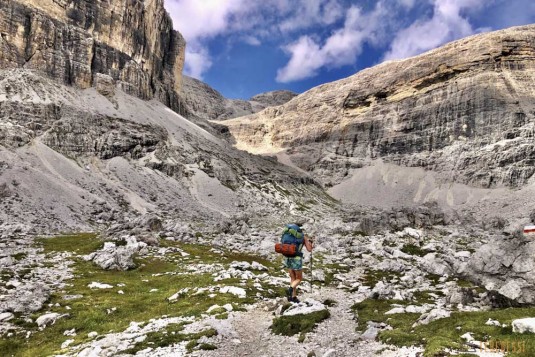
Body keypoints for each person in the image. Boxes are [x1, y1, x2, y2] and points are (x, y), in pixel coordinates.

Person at [283, 223, 314, 303]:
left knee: (292, 278)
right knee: (299, 278)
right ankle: (290, 289)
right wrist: (311, 243)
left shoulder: (288, 235)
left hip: (287, 257)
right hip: (296, 259)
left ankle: (293, 297)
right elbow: (309, 249)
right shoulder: (303, 237)